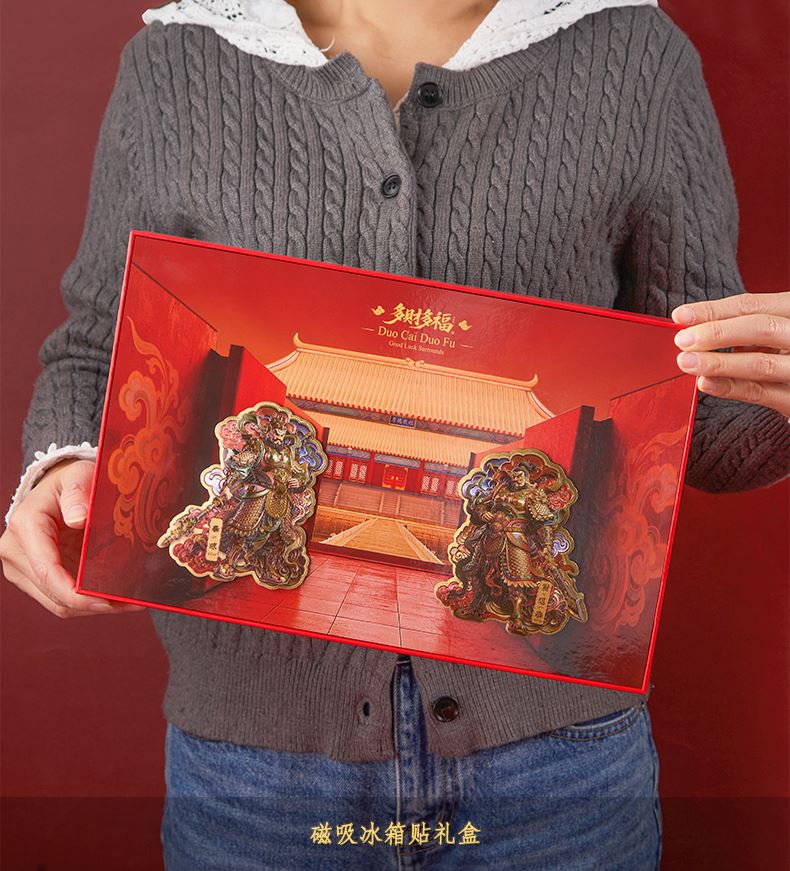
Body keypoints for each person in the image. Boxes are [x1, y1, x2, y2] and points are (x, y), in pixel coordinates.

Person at [2, 1, 789, 868]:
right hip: (256, 764)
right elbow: (97, 344)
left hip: (557, 765)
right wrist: (62, 467)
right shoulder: (181, 62)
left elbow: (700, 407)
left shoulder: (636, 56)